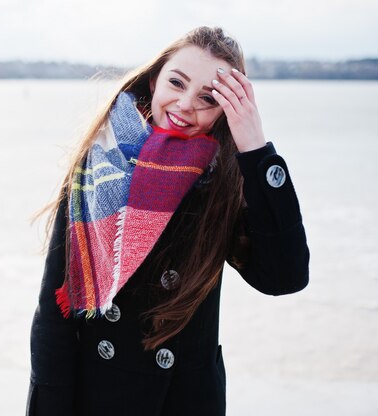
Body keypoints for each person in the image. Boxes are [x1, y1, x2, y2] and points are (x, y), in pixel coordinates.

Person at [27, 26, 309, 416]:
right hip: (97, 396)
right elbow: (54, 313)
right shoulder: (100, 164)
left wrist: (256, 151)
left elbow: (284, 278)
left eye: (208, 98)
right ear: (155, 78)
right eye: (177, 82)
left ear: (226, 110)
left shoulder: (226, 179)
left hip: (183, 398)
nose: (185, 104)